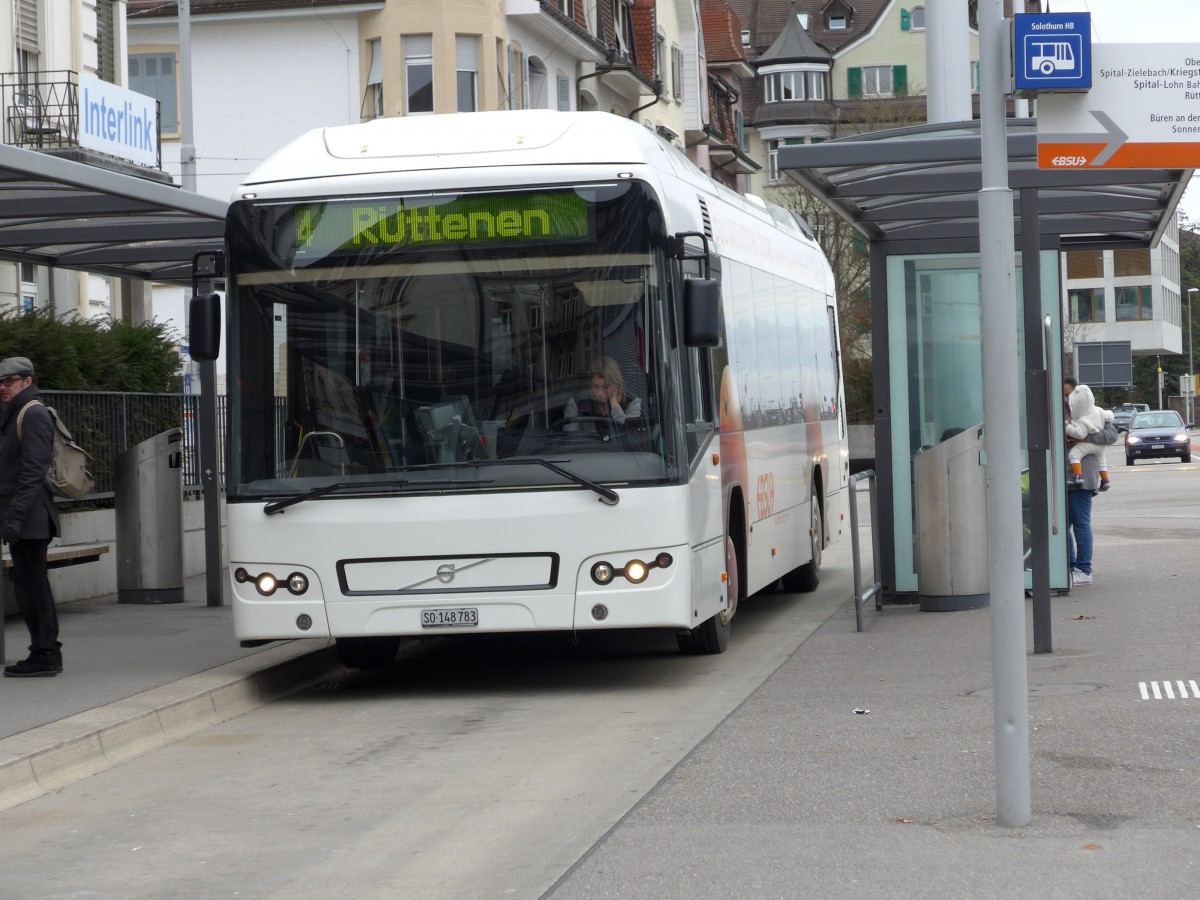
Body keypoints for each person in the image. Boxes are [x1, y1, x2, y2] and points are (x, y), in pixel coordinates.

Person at [0, 357, 63, 677]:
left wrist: (14, 516)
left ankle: (45, 654)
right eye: (0, 382)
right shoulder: (13, 415)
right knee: (31, 584)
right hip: (23, 515)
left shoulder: (33, 413)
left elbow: (33, 471)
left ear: (27, 380)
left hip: (30, 516)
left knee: (32, 586)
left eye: (8, 381)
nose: (2, 387)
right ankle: (46, 650)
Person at [1063, 378, 1098, 587]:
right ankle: (1069, 565)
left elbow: (1111, 434)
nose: (1066, 399)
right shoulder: (1056, 414)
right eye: (1063, 395)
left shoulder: (1091, 411)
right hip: (1059, 477)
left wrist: (1084, 440)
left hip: (1082, 478)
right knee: (1060, 525)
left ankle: (1084, 569)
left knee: (1081, 523)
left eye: (1068, 395)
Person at [564, 358, 642, 429]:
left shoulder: (632, 403)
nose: (599, 393)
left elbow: (631, 436)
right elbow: (570, 437)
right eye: (595, 386)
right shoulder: (577, 402)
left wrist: (615, 405)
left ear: (617, 385)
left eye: (606, 387)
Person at [1065, 383, 1113, 491]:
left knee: (1074, 455)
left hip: (1087, 449)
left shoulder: (1080, 419)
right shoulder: (1099, 411)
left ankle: (1078, 476)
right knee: (1102, 461)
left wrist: (1067, 428)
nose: (1066, 399)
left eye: (1068, 395)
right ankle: (1105, 480)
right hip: (1100, 448)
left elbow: (1080, 434)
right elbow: (1110, 415)